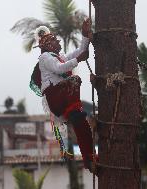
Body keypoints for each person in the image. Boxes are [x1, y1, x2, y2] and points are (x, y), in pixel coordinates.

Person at [30, 18, 96, 171]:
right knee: (74, 80)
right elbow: (60, 68)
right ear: (48, 44)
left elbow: (80, 51)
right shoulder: (45, 58)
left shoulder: (59, 56)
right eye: (54, 40)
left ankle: (89, 158)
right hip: (56, 97)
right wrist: (78, 60)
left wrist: (85, 35)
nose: (58, 42)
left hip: (61, 96)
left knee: (82, 125)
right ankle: (73, 110)